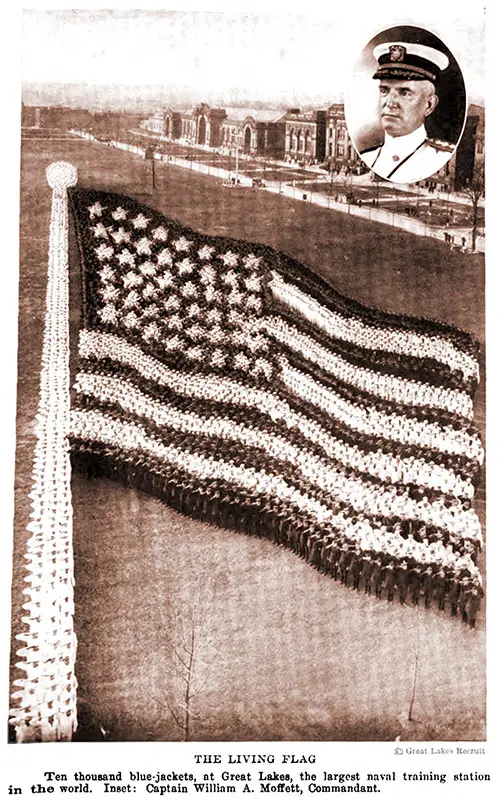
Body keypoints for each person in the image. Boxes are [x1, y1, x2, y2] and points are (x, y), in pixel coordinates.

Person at [360, 42, 454, 183]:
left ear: (429, 105)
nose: (390, 103)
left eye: (404, 93)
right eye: (384, 91)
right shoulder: (368, 157)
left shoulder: (440, 157)